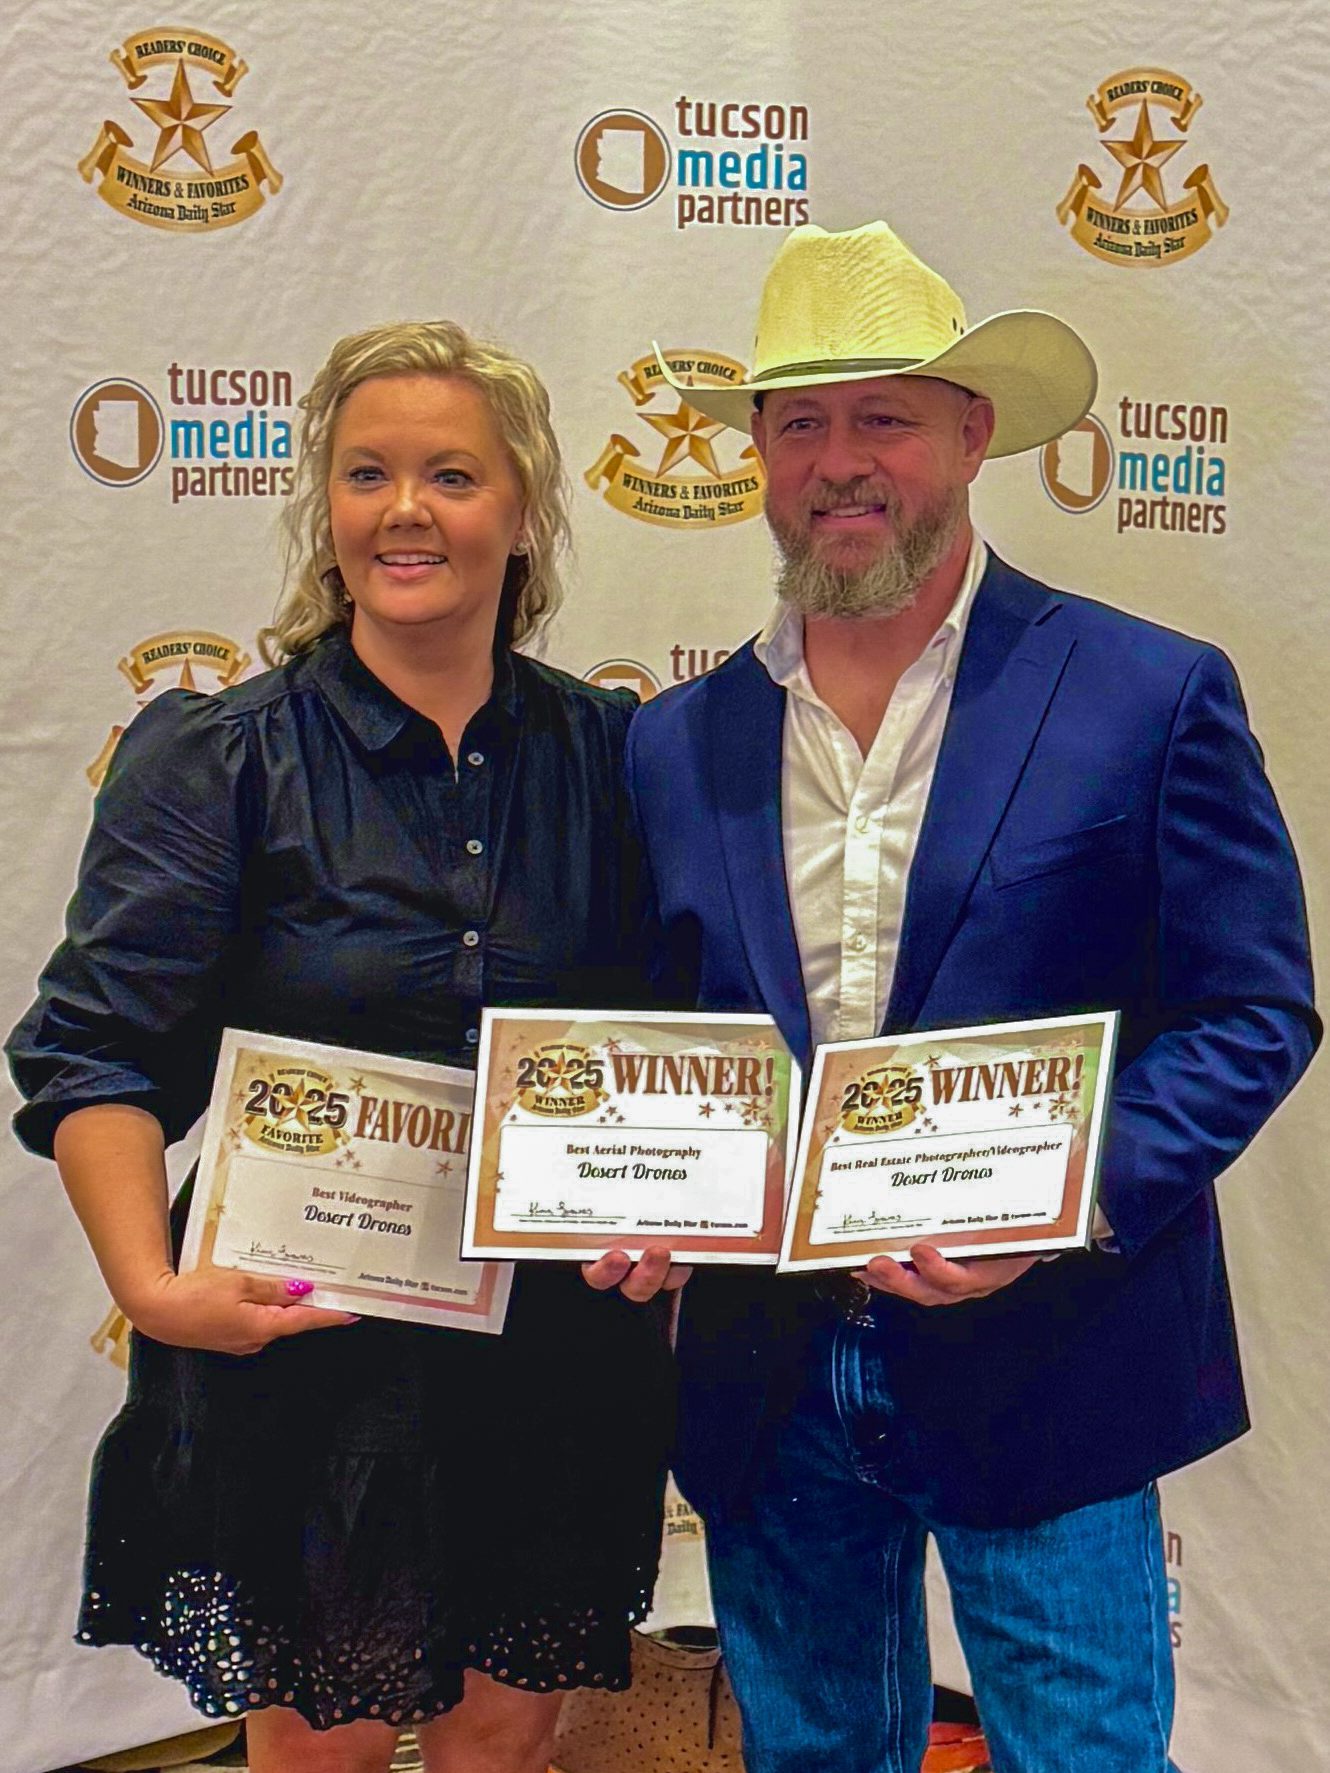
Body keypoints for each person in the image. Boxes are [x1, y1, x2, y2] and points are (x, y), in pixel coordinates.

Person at [620, 222, 1318, 1772]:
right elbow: (662, 1038)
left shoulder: (1145, 688)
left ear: (970, 434)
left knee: (1081, 1753)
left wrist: (1057, 1205)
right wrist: (639, 1199)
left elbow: (1252, 1013)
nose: (840, 461)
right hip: (766, 1369)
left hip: (1056, 1347)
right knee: (811, 1755)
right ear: (755, 452)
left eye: (886, 416)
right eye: (800, 422)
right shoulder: (672, 741)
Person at [7, 321, 678, 1773]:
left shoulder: (619, 757)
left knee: (503, 1736)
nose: (406, 509)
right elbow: (96, 1053)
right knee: (326, 1745)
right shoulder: (220, 756)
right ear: (327, 508)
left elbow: (675, 1040)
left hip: (557, 1351)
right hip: (309, 1355)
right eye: (366, 473)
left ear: (523, 510)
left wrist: (678, 1210)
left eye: (451, 473)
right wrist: (151, 1286)